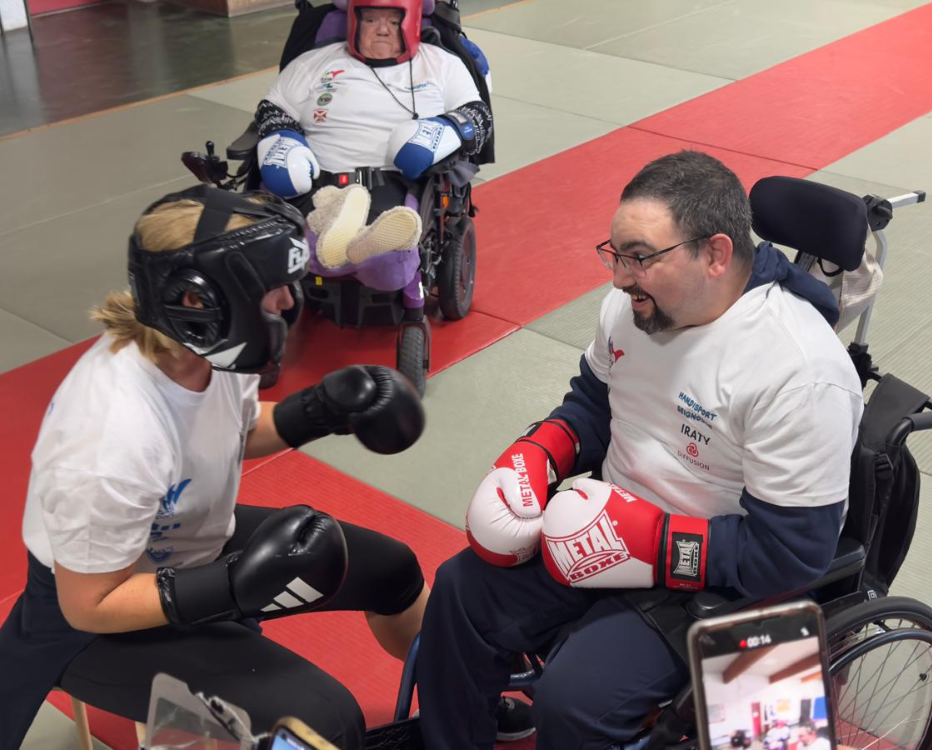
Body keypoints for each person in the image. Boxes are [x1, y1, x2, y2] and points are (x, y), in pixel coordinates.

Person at [416, 150, 864, 749]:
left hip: (720, 582)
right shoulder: (633, 311)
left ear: (716, 254)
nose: (619, 277)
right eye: (615, 253)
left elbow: (793, 556)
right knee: (458, 591)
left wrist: (650, 540)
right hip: (602, 531)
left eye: (641, 257)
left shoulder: (799, 372)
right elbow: (595, 402)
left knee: (573, 700)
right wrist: (542, 451)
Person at [0, 185, 429, 750]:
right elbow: (89, 605)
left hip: (184, 541)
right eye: (269, 290)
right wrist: (230, 587)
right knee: (326, 721)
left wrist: (322, 411)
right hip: (93, 613)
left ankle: (457, 700)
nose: (286, 303)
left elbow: (233, 429)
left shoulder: (215, 347)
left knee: (393, 570)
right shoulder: (109, 437)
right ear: (200, 301)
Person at [255, 0, 493, 295]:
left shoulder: (441, 64)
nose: (382, 29)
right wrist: (284, 142)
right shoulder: (315, 62)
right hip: (316, 178)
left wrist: (441, 131)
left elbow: (478, 116)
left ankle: (356, 240)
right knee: (283, 227)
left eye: (393, 21)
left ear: (414, 22)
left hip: (394, 182)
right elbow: (273, 109)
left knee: (390, 259)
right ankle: (355, 240)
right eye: (370, 20)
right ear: (354, 22)